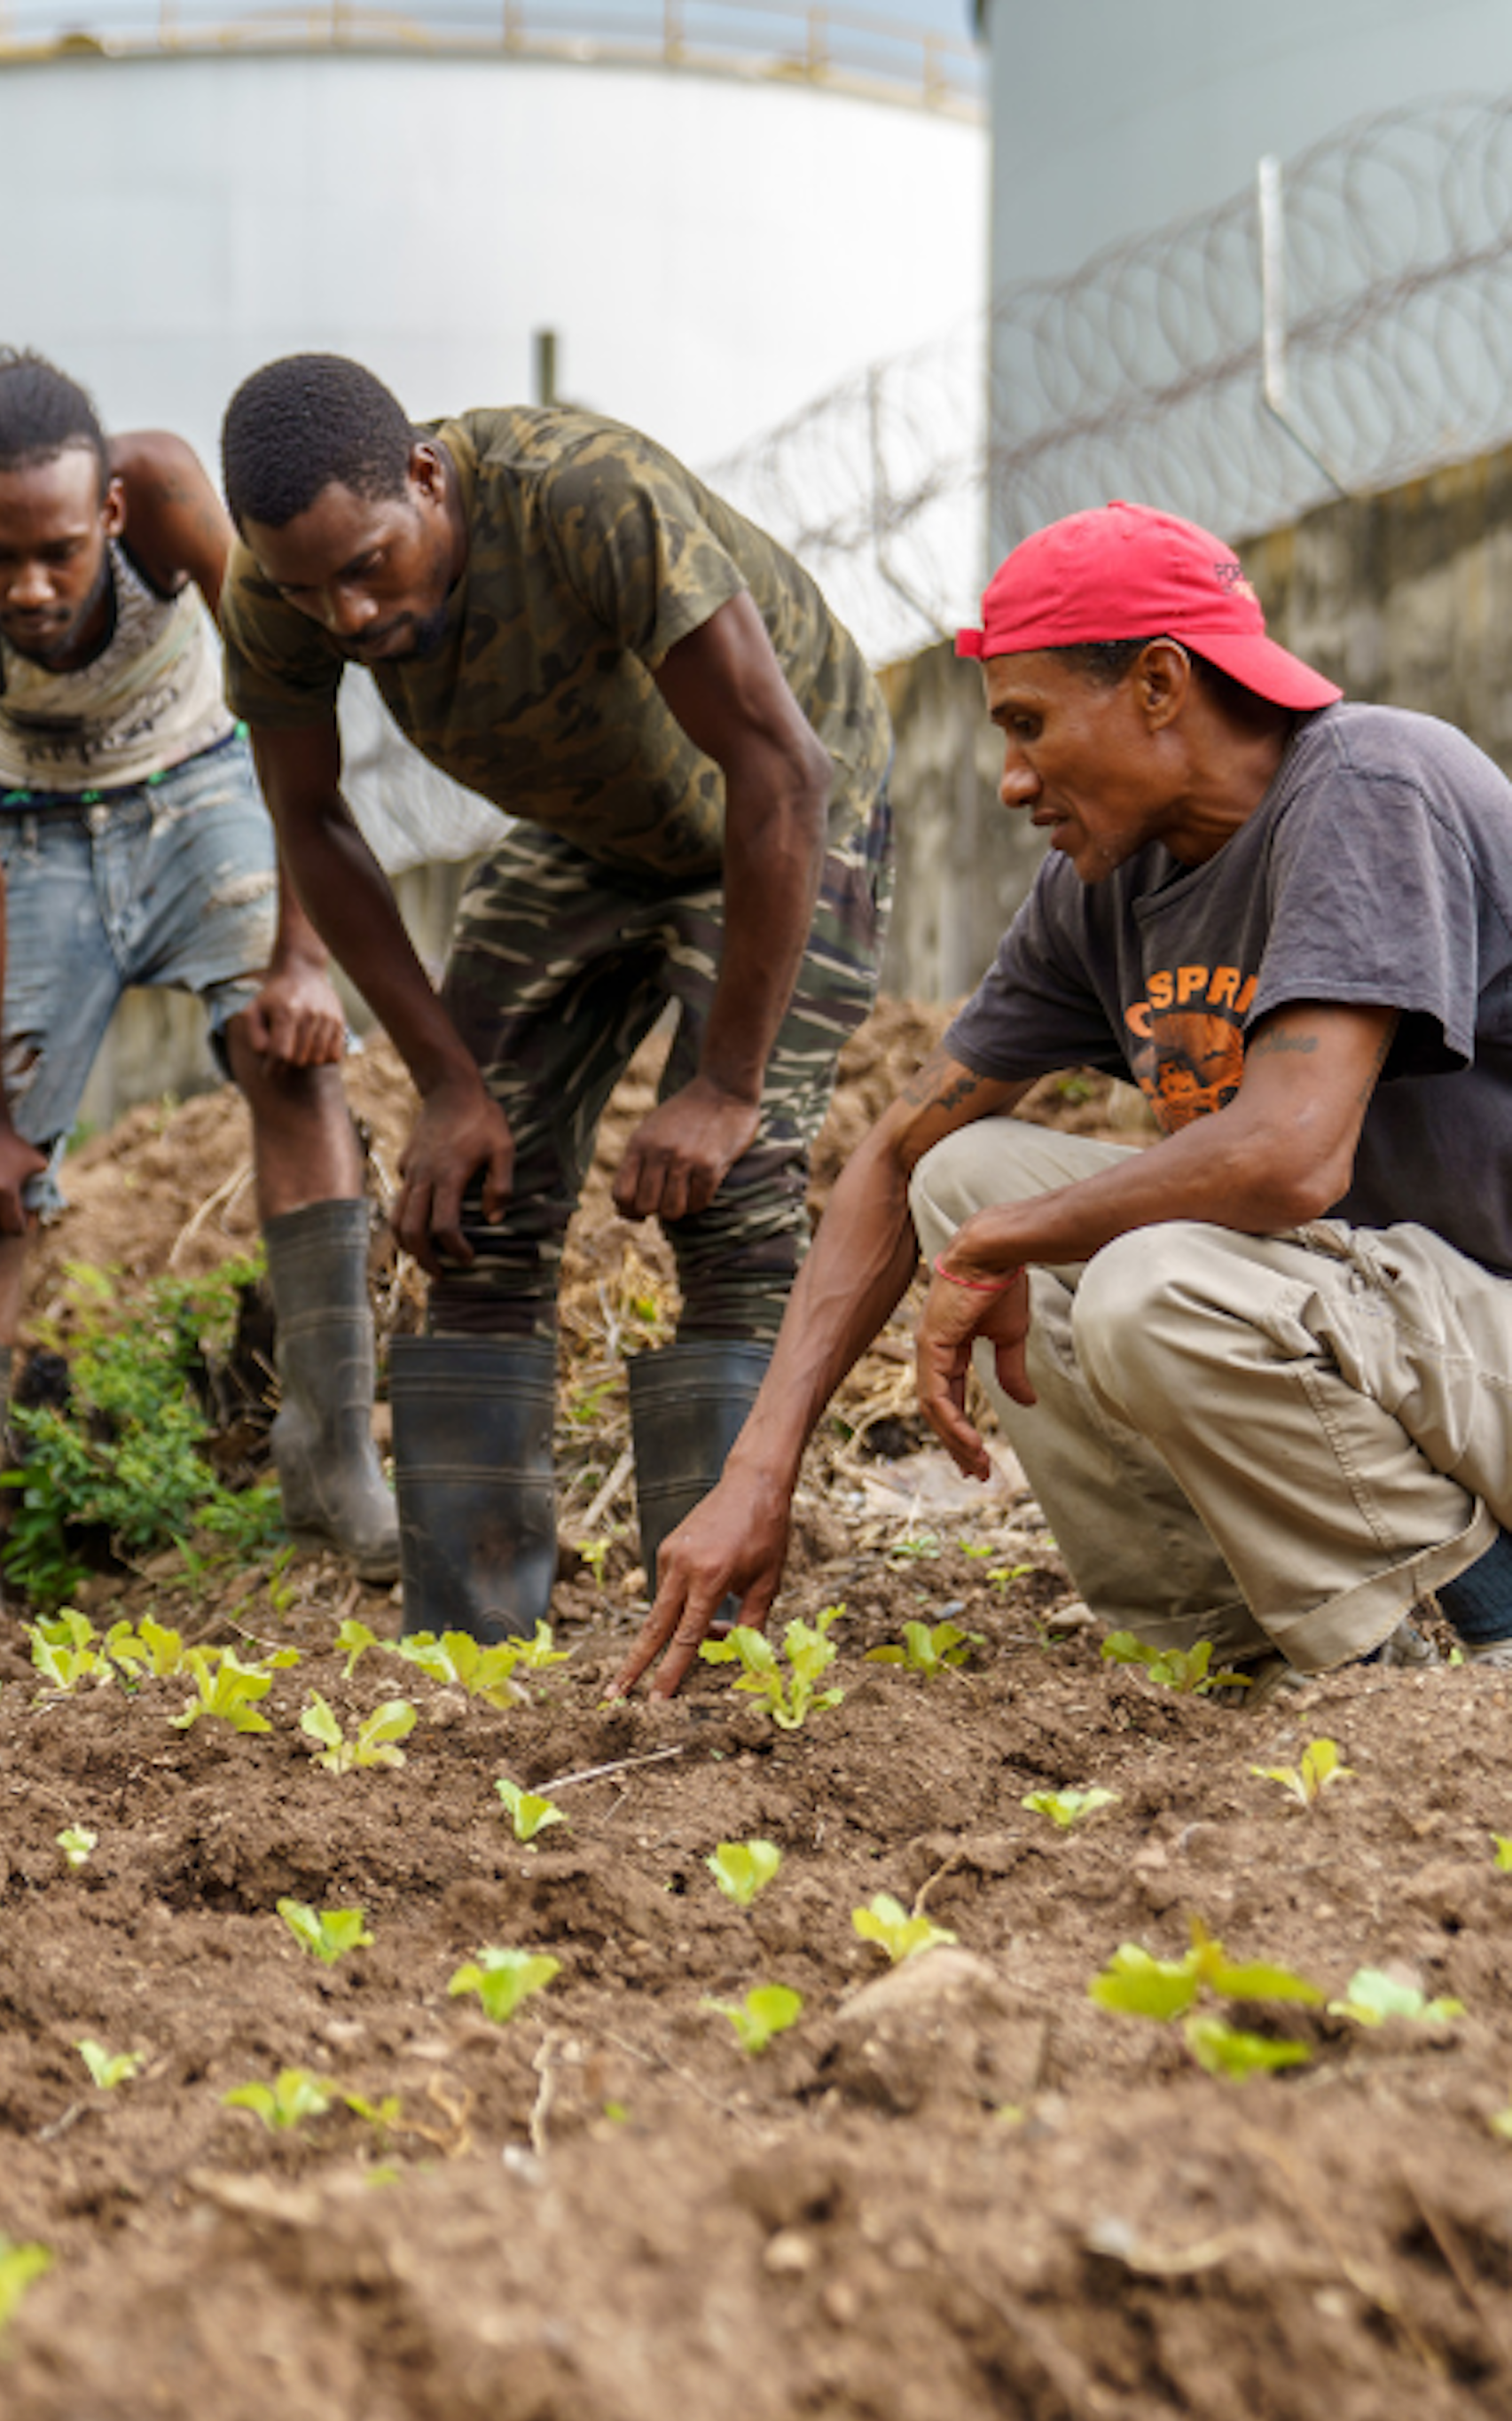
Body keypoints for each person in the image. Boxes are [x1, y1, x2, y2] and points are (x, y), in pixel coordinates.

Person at [622, 500, 1512, 1699]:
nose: (1009, 779)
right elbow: (897, 1158)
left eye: (1030, 725)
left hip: (1486, 1337)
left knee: (1147, 1284)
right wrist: (758, 1472)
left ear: (1157, 684)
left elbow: (1292, 1153)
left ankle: (1464, 1634)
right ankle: (1222, 1642)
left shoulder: (1369, 786)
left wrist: (1000, 1247)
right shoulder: (1099, 887)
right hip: (1391, 1335)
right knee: (961, 1173)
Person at [211, 354, 893, 1640]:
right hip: (590, 833)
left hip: (790, 813)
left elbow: (781, 772)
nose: (343, 616)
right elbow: (310, 819)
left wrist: (724, 1085)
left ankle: (718, 1643)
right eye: (309, 591)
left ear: (424, 475)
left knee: (734, 1202)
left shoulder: (585, 499)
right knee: (467, 1203)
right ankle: (476, 1645)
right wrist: (450, 1086)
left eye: (366, 567)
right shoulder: (276, 587)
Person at [0, 349, 393, 1602]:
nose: (35, 584)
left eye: (59, 548)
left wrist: (302, 960)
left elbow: (285, 697)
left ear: (110, 510)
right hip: (34, 835)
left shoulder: (168, 497)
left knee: (295, 1064)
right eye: (0, 555)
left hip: (203, 788)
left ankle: (334, 1464)